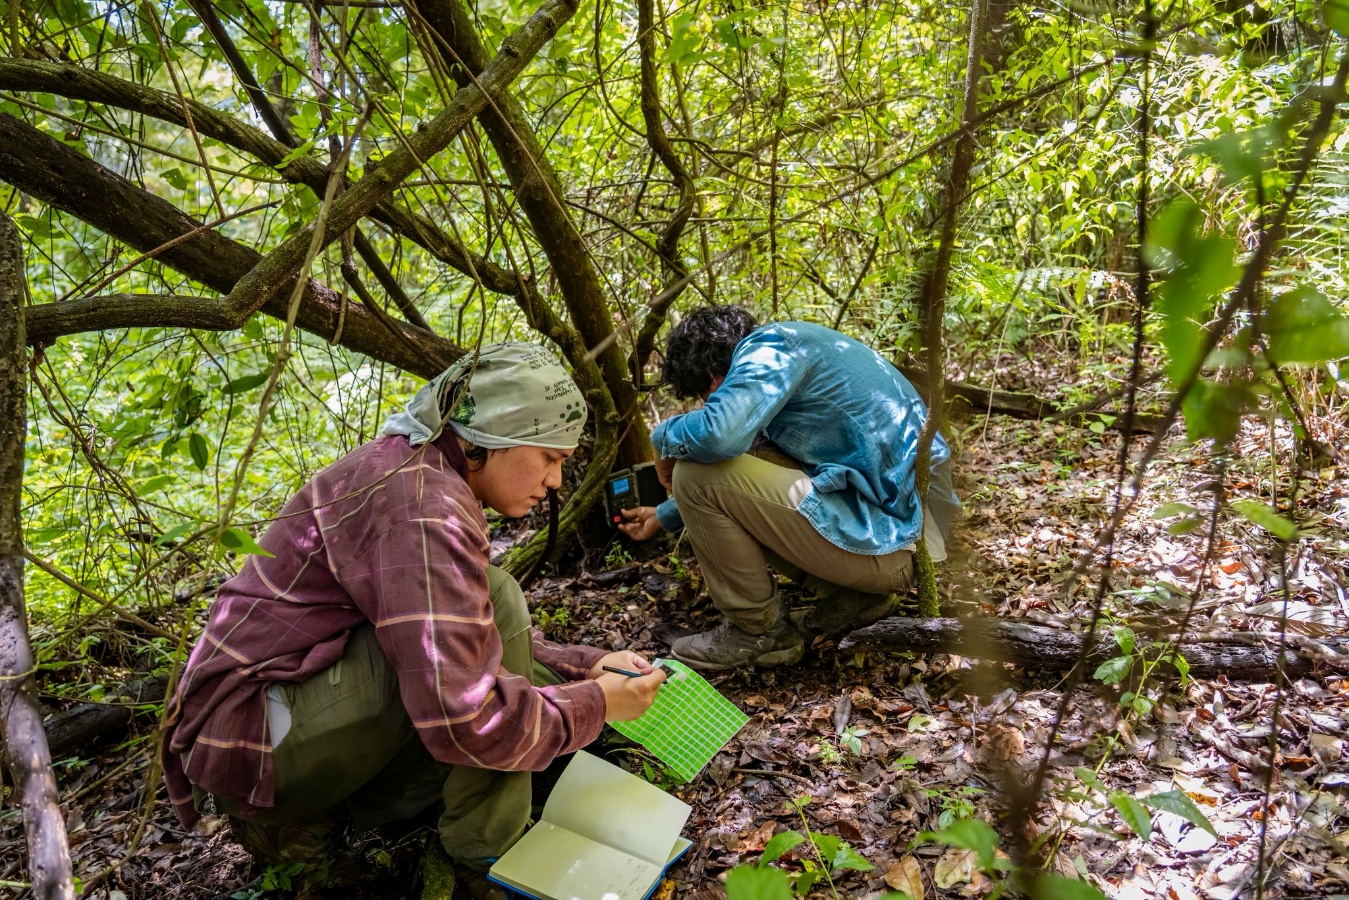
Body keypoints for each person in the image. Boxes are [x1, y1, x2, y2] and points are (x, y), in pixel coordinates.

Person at [162, 343, 666, 890]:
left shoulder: (417, 467)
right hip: (260, 740)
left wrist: (582, 667)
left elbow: (456, 626)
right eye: (549, 457)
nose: (554, 482)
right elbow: (467, 715)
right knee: (499, 615)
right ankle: (488, 854)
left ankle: (415, 809)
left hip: (292, 711)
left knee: (510, 641)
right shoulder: (422, 504)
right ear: (489, 437)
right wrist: (595, 705)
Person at [619, 306, 960, 671]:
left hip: (897, 546)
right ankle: (856, 599)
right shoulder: (799, 354)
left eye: (706, 395)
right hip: (906, 541)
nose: (708, 404)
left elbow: (718, 439)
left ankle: (757, 631)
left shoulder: (771, 348)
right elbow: (752, 478)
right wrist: (663, 516)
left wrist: (662, 436)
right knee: (737, 461)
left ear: (712, 376)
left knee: (692, 473)